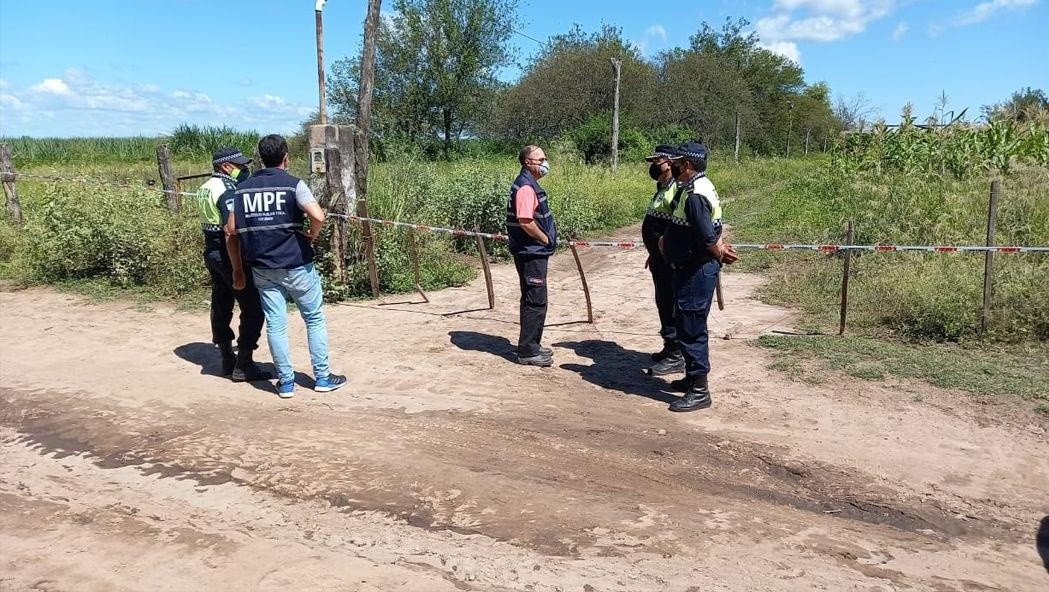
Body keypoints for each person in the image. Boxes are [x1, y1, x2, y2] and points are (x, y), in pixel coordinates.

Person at [225, 134, 346, 399]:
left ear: (260, 158)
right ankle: (323, 378)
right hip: (297, 264)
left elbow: (231, 230)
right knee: (313, 319)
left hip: (262, 268)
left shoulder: (242, 190)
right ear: (286, 157)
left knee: (276, 324)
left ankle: (287, 383)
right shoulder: (293, 185)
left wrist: (237, 269)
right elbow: (319, 216)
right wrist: (311, 236)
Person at [660, 141, 738, 412]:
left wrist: (718, 252)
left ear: (688, 165)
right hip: (690, 269)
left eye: (678, 162)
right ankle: (691, 379)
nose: (673, 165)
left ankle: (700, 390)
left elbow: (707, 236)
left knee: (692, 329)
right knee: (687, 324)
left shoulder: (694, 195)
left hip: (696, 271)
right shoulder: (697, 186)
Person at [194, 148, 271, 382]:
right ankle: (244, 362)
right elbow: (230, 231)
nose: (244, 169)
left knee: (221, 301)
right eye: (239, 165)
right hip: (228, 253)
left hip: (211, 250)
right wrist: (238, 268)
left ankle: (227, 358)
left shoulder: (205, 187)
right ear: (225, 167)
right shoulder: (228, 190)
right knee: (253, 307)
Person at [506, 145, 558, 367]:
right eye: (541, 159)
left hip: (530, 251)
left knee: (533, 298)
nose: (545, 163)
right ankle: (528, 352)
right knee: (535, 301)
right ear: (528, 162)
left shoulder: (527, 183)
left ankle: (532, 345)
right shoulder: (526, 187)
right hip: (531, 252)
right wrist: (544, 239)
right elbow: (526, 220)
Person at [641, 145, 684, 377]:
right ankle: (669, 347)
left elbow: (677, 225)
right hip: (659, 257)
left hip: (670, 259)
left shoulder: (677, 188)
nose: (654, 166)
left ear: (669, 163)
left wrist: (665, 249)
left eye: (657, 161)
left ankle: (676, 354)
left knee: (670, 301)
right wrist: (653, 251)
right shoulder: (662, 187)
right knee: (662, 300)